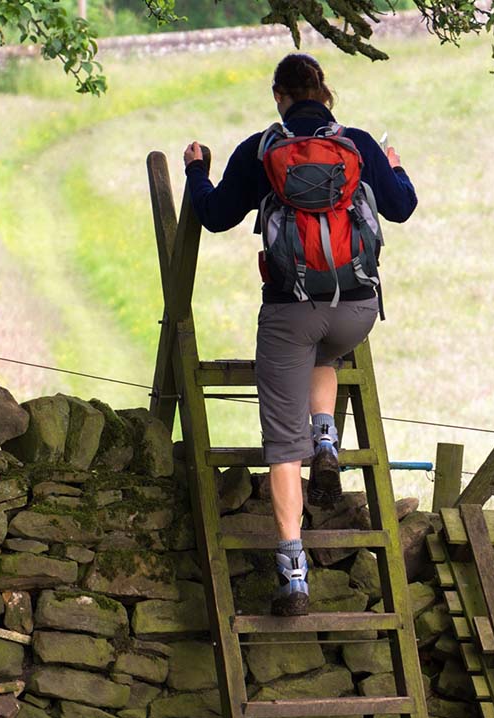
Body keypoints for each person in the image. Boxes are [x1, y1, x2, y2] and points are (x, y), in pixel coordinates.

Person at [182, 53, 417, 616]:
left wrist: (195, 171)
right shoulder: (356, 143)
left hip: (291, 310)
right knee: (325, 352)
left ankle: (293, 576)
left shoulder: (261, 150)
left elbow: (214, 216)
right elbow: (402, 207)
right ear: (324, 92)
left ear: (278, 95)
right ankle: (328, 438)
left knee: (283, 448)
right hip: (356, 310)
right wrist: (395, 165)